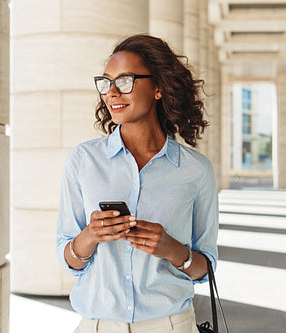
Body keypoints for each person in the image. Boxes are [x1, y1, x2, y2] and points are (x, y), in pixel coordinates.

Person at [55, 34, 219, 333]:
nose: (112, 93)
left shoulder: (196, 170)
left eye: (125, 81)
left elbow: (205, 269)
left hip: (170, 325)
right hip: (97, 324)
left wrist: (171, 249)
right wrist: (90, 236)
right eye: (106, 83)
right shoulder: (83, 160)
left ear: (158, 87)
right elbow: (68, 259)